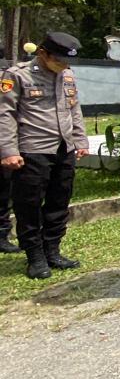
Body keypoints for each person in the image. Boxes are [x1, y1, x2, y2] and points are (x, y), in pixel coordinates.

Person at [0, 32, 89, 279]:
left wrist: (80, 140)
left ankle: (53, 250)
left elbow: (74, 108)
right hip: (33, 149)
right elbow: (4, 114)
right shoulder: (17, 75)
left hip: (64, 148)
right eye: (59, 60)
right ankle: (34, 256)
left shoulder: (67, 75)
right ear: (42, 53)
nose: (64, 65)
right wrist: (8, 150)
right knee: (28, 205)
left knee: (59, 202)